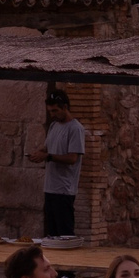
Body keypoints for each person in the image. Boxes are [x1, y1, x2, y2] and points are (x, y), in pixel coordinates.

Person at [36, 87, 85, 239]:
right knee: (52, 235)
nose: (52, 115)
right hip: (50, 188)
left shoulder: (75, 129)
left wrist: (48, 156)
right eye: (50, 111)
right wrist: (38, 153)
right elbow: (47, 147)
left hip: (64, 190)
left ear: (65, 107)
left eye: (55, 111)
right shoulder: (53, 126)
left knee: (65, 235)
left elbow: (72, 158)